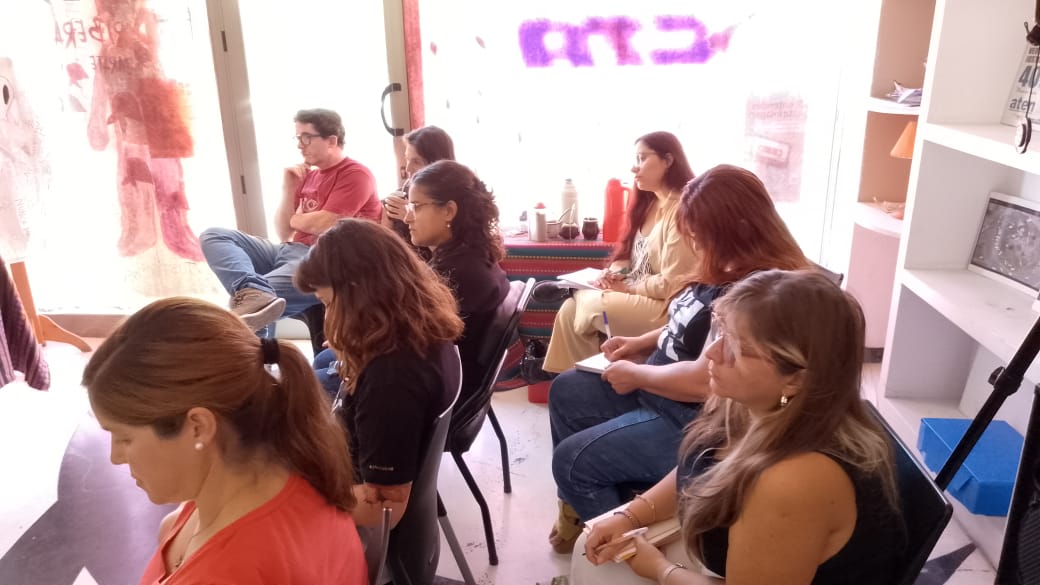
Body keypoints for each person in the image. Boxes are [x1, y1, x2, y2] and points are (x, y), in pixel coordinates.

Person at [575, 270, 905, 585]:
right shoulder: (757, 406)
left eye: (735, 347)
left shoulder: (795, 480)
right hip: (735, 559)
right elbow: (699, 469)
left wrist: (661, 570)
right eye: (720, 333)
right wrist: (630, 516)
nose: (712, 353)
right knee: (590, 551)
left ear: (795, 379)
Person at [546, 164, 812, 553]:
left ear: (738, 229)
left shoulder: (757, 293)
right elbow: (687, 323)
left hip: (692, 415)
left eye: (701, 237)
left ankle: (625, 549)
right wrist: (641, 343)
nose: (696, 246)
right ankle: (588, 510)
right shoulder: (724, 265)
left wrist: (637, 375)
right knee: (566, 390)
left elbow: (706, 379)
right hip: (662, 387)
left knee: (572, 462)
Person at [82, 297, 367, 585]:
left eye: (124, 438)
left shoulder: (224, 571)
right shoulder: (289, 470)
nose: (115, 457)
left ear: (198, 427)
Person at [295, 219, 464, 532]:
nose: (327, 317)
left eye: (328, 304)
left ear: (360, 297)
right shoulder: (419, 328)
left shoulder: (390, 381)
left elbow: (384, 509)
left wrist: (295, 498)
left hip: (361, 532)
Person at [313, 160, 509, 405]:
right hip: (441, 371)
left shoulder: (457, 274)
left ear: (449, 211)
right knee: (324, 359)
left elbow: (408, 341)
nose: (407, 217)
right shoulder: (473, 255)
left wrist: (352, 343)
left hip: (431, 389)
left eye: (416, 207)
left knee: (304, 383)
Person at [200, 108, 382, 332]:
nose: (299, 145)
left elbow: (324, 224)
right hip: (290, 250)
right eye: (297, 137)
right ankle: (252, 290)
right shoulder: (308, 176)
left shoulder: (356, 174)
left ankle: (256, 301)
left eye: (307, 137)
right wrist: (288, 188)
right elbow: (284, 231)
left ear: (331, 141)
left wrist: (297, 219)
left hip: (326, 257)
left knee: (250, 309)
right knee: (214, 235)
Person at [541, 131, 699, 374]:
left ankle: (576, 293)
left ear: (668, 160)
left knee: (594, 304)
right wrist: (614, 274)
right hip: (639, 294)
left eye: (642, 158)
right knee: (568, 311)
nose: (634, 168)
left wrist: (628, 288)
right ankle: (573, 383)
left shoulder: (681, 212)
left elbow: (673, 284)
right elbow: (628, 260)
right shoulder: (649, 203)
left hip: (668, 308)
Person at [381, 125, 456, 246]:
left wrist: (414, 216)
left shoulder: (458, 199)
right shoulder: (400, 197)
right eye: (407, 159)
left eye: (416, 161)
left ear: (437, 164)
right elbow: (385, 249)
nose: (408, 169)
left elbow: (448, 251)